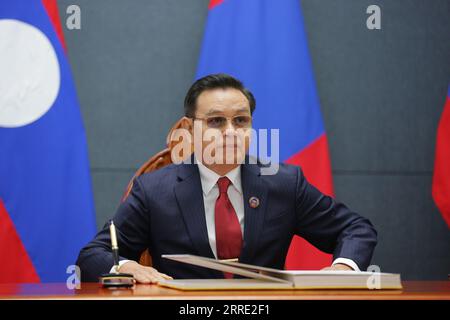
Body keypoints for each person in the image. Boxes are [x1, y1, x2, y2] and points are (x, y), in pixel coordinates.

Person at [76, 73, 377, 283]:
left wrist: (344, 267)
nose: (231, 132)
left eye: (241, 121)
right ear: (188, 128)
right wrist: (127, 266)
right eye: (216, 121)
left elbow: (355, 229)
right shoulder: (155, 190)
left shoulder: (283, 182)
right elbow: (92, 255)